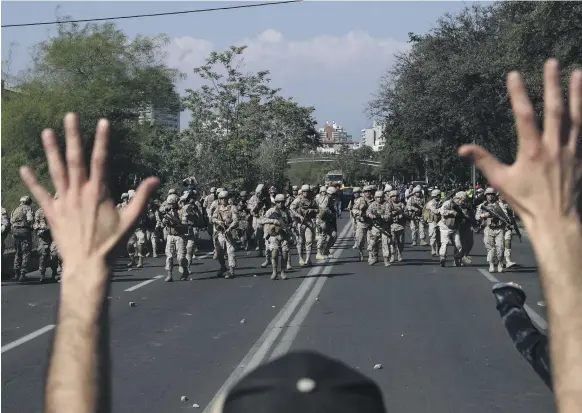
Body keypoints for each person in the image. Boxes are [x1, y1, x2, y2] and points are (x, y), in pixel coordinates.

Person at [22, 59, 582, 413]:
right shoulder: (246, 203)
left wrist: (84, 277)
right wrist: (558, 233)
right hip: (292, 232)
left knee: (340, 246)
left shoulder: (355, 201)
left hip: (326, 231)